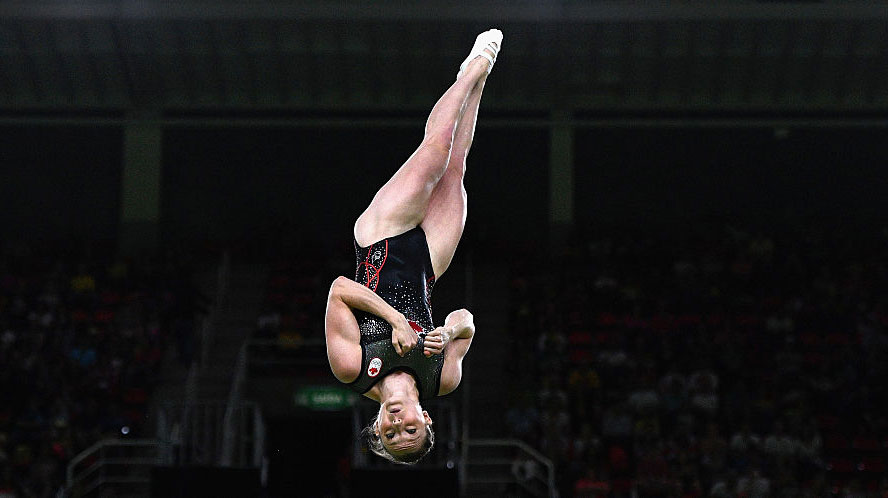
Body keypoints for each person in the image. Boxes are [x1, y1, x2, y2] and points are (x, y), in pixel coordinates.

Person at [324, 28, 503, 464]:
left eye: (389, 432)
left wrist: (396, 322)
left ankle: (474, 67)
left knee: (437, 149)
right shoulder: (442, 378)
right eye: (410, 429)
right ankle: (477, 81)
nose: (398, 422)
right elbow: (468, 321)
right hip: (428, 263)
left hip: (379, 237)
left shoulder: (352, 369)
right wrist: (450, 331)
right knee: (457, 168)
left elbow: (339, 289)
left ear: (376, 427)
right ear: (427, 418)